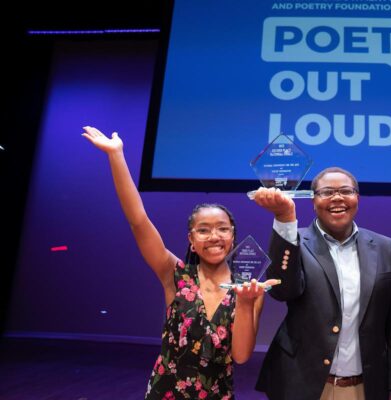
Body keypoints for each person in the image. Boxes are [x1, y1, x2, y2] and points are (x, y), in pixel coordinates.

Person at [81, 126, 276, 400]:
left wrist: (245, 302)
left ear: (233, 237)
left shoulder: (249, 289)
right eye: (203, 230)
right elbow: (138, 221)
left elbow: (242, 356)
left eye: (223, 229)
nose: (214, 237)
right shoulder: (174, 274)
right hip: (166, 393)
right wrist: (116, 155)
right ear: (191, 240)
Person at [252, 167, 391, 400]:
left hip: (364, 386)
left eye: (345, 191)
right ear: (313, 200)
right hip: (300, 384)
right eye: (327, 192)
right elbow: (281, 290)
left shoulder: (386, 248)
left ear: (357, 198)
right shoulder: (293, 241)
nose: (337, 198)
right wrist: (284, 218)